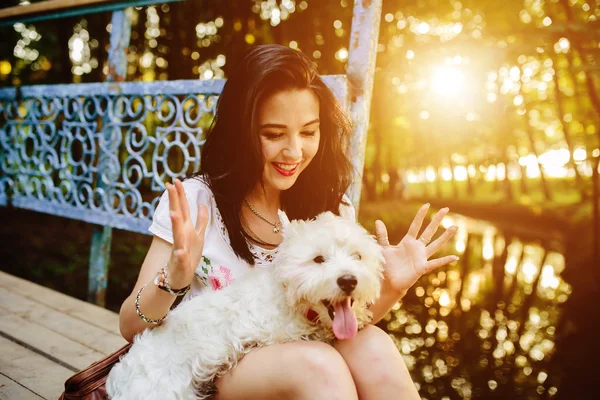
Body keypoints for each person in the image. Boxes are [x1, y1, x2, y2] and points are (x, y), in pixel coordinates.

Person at [118, 44, 458, 400]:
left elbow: (339, 325)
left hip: (294, 360)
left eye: (309, 132)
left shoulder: (331, 207)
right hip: (211, 374)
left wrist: (392, 288)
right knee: (319, 365)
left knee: (373, 344)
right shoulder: (197, 201)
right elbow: (130, 327)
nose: (294, 152)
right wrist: (173, 280)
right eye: (274, 134)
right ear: (242, 133)